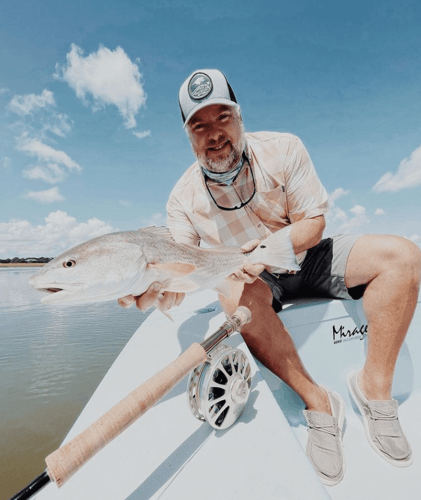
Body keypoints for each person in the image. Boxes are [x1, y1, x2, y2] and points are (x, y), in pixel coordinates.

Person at [118, 69, 421, 486]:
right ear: (188, 136)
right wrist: (159, 292)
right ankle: (319, 402)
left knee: (403, 257)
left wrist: (263, 252)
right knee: (231, 295)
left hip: (309, 257)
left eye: (222, 117)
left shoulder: (284, 147)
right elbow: (182, 265)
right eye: (198, 125)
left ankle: (375, 388)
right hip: (253, 282)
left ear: (240, 116)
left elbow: (313, 224)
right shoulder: (181, 199)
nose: (214, 134)